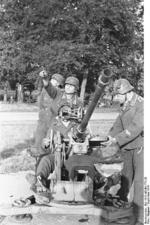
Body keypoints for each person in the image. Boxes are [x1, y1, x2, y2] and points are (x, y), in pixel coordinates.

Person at [29, 73, 84, 195]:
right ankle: (39, 180)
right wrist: (44, 79)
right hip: (52, 125)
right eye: (67, 85)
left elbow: (81, 118)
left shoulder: (78, 102)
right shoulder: (59, 94)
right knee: (43, 154)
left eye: (72, 86)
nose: (69, 87)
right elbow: (48, 87)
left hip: (70, 128)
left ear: (76, 89)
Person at [106, 78, 144, 225]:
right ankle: (122, 204)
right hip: (128, 146)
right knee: (126, 176)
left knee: (140, 181)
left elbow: (135, 127)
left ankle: (139, 216)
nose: (116, 98)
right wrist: (110, 135)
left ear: (126, 92)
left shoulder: (141, 104)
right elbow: (119, 123)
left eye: (118, 95)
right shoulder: (126, 104)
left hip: (140, 146)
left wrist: (117, 140)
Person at [31, 71, 65, 156]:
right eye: (52, 79)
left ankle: (48, 154)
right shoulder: (44, 90)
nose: (52, 81)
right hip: (43, 116)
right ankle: (37, 152)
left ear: (59, 84)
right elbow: (41, 102)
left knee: (49, 137)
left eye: (55, 81)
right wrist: (42, 111)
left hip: (52, 117)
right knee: (39, 133)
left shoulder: (59, 92)